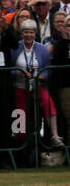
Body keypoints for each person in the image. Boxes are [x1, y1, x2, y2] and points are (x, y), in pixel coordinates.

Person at [10, 19, 63, 153]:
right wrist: (20, 73)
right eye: (26, 32)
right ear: (21, 34)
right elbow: (9, 67)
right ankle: (18, 142)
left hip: (37, 86)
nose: (28, 35)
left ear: (35, 34)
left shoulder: (42, 49)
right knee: (20, 114)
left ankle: (55, 135)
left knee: (48, 102)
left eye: (31, 32)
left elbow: (47, 69)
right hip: (20, 88)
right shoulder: (15, 48)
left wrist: (41, 76)